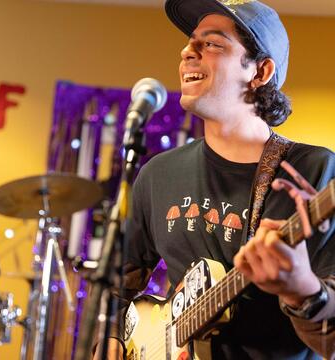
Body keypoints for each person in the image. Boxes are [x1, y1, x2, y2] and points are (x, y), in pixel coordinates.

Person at [93, 0, 335, 358]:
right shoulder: (158, 174)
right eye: (191, 42)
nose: (187, 52)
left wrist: (302, 289)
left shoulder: (314, 172)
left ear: (260, 71)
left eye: (212, 43)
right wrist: (110, 339)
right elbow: (114, 287)